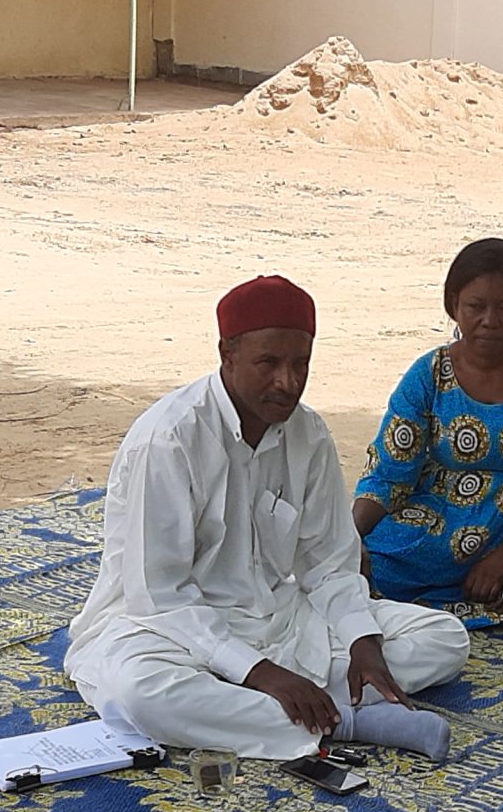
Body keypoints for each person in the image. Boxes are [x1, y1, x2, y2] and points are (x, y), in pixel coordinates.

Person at [66, 274, 470, 761]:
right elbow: (159, 595)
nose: (289, 382)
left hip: (280, 618)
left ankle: (279, 702)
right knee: (142, 693)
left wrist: (363, 641)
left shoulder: (309, 434)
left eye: (301, 364)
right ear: (227, 355)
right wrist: (260, 672)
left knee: (444, 638)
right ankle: (346, 720)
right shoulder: (170, 439)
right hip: (167, 630)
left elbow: (327, 562)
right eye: (269, 364)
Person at [354, 239, 503, 630]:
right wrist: (347, 541)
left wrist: (502, 559)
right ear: (453, 305)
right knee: (366, 568)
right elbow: (389, 472)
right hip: (435, 528)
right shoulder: (429, 373)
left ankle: (422, 611)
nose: (490, 320)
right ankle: (457, 607)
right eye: (476, 307)